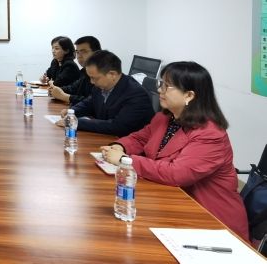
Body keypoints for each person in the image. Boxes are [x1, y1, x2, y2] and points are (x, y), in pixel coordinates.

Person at [100, 62, 249, 241]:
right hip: (172, 203)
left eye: (167, 86)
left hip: (211, 219)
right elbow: (140, 138)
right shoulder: (164, 118)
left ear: (189, 95)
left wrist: (125, 160)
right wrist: (120, 146)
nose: (160, 90)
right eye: (161, 84)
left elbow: (177, 174)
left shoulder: (210, 134)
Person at [55, 50, 153, 136]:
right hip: (106, 138)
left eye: (94, 78)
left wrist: (77, 123)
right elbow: (89, 103)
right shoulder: (101, 86)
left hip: (126, 146)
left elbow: (118, 126)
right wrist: (72, 111)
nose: (91, 82)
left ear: (112, 74)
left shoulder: (136, 94)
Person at [49, 35, 101, 105]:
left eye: (83, 51)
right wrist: (56, 90)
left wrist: (65, 96)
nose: (79, 56)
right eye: (77, 52)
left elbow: (93, 102)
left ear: (97, 53)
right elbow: (73, 88)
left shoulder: (102, 73)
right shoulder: (84, 71)